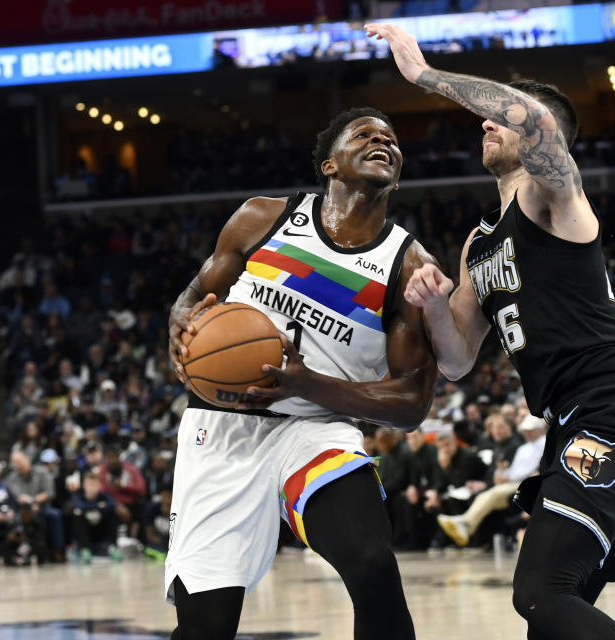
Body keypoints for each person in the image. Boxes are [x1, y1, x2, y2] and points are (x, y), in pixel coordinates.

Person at [367, 23, 615, 639]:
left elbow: (533, 122)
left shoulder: (554, 196)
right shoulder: (479, 245)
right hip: (568, 421)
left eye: (499, 118)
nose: (486, 123)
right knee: (551, 618)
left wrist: (425, 76)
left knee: (538, 592)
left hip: (609, 412)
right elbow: (455, 360)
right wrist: (431, 303)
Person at [166, 107, 438, 639]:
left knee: (372, 563)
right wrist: (178, 317)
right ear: (330, 165)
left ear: (398, 173)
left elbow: (411, 402)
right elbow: (195, 298)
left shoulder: (406, 264)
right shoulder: (262, 218)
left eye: (391, 139)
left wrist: (308, 384)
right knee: (206, 626)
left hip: (315, 428)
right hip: (221, 429)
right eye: (364, 134)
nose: (382, 140)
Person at [438, 415, 547, 546]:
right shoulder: (523, 448)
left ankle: (466, 523)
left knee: (493, 493)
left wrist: (506, 476)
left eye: (531, 429)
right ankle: (467, 526)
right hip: (512, 481)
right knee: (487, 496)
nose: (527, 433)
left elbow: (530, 470)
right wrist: (503, 473)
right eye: (526, 430)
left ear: (539, 429)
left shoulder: (544, 443)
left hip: (526, 482)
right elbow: (514, 470)